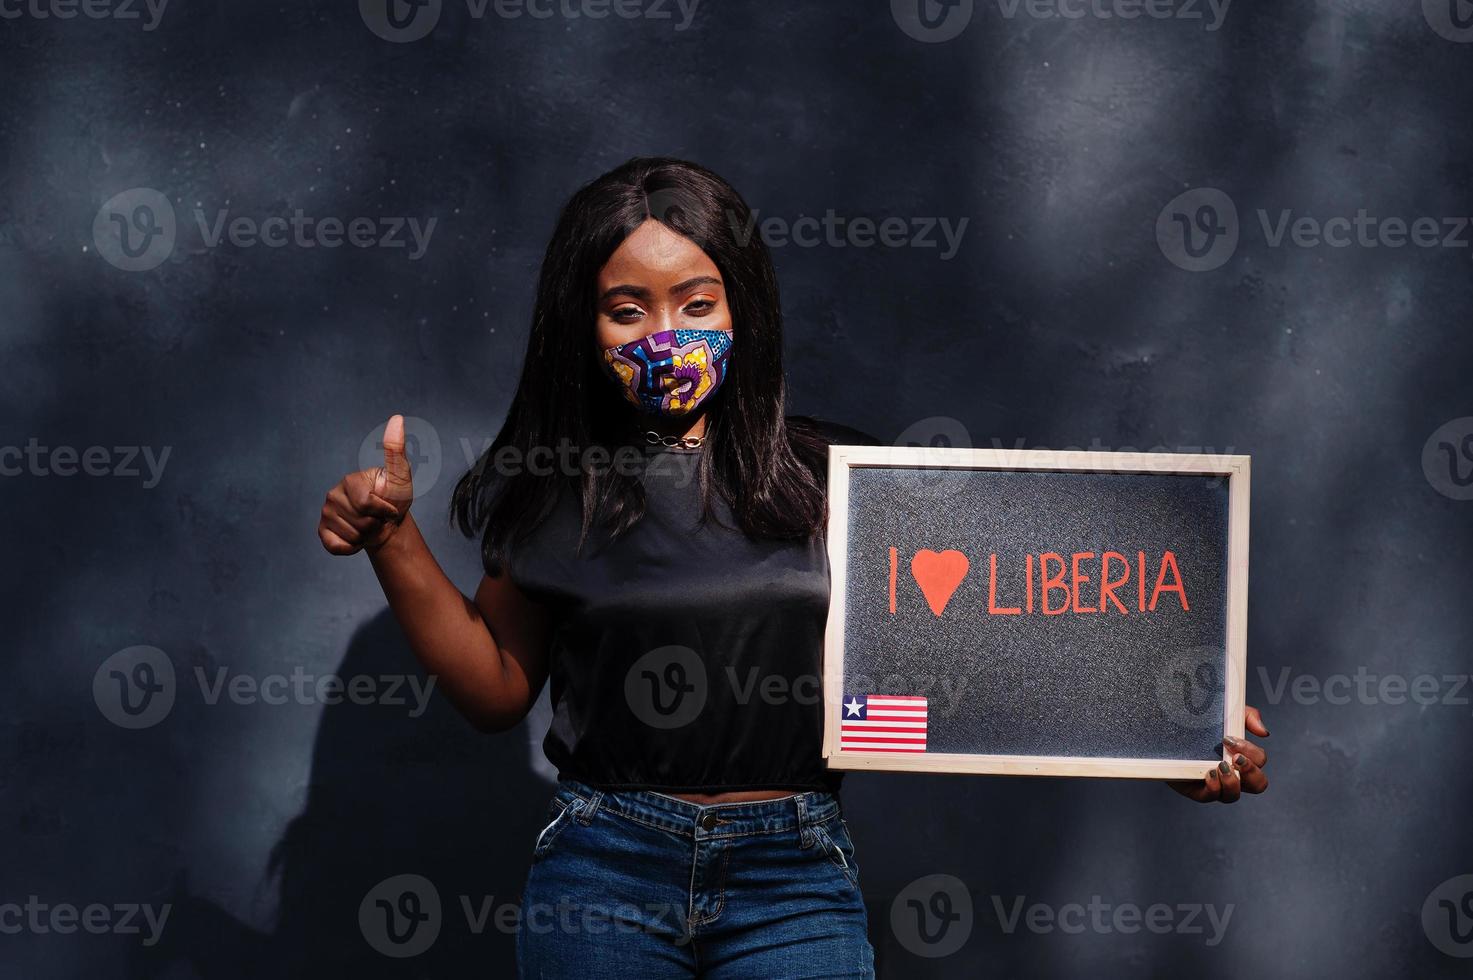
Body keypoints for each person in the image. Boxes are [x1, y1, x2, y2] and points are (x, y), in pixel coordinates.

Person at [316, 157, 1268, 978]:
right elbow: (494, 691)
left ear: (743, 307)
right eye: (626, 309)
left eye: (696, 303)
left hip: (792, 875)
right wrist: (392, 539)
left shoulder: (845, 481)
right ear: (582, 325)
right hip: (604, 870)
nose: (666, 334)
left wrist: (1162, 732)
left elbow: (993, 647)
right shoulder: (550, 493)